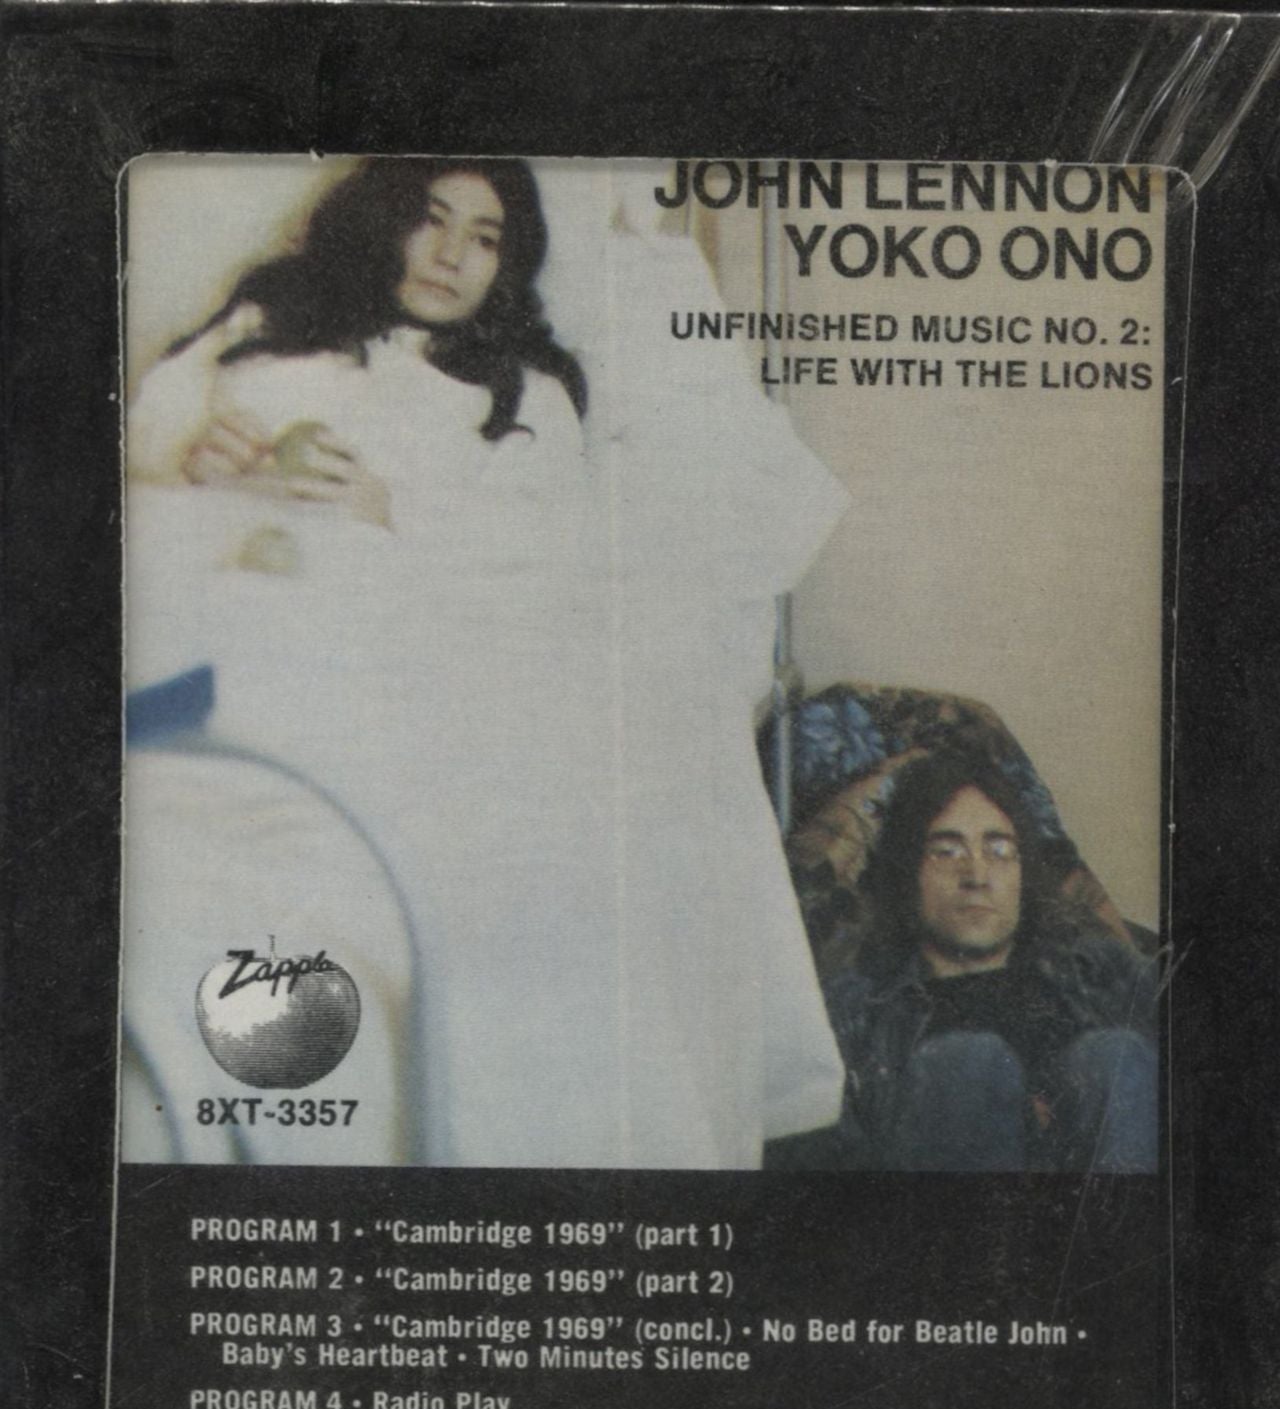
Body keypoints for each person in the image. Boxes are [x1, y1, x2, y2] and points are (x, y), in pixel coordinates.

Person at [124, 156, 848, 1168]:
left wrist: (390, 513)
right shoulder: (267, 319)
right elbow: (145, 433)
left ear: (509, 265)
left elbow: (539, 561)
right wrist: (193, 454)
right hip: (225, 567)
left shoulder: (523, 391)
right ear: (381, 219)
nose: (451, 253)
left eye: (485, 237)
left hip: (397, 610)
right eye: (431, 219)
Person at [765, 750, 1158, 1172]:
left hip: (1094, 1200)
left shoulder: (1099, 972)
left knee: (1114, 1056)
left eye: (1000, 850)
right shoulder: (857, 1010)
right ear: (908, 871)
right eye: (947, 851)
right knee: (968, 1063)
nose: (977, 876)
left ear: (1023, 873)